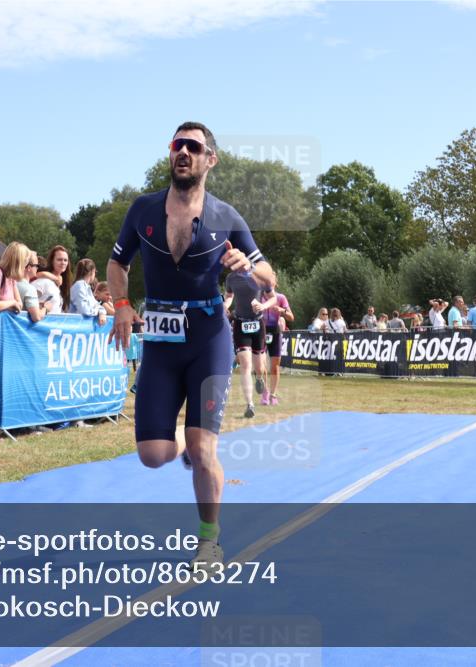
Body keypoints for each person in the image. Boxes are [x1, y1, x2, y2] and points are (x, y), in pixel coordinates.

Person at [107, 121, 274, 570]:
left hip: (208, 340)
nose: (183, 152)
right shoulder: (143, 209)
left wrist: (249, 267)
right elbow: (117, 262)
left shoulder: (227, 217)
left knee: (205, 453)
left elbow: (269, 277)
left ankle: (208, 541)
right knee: (153, 456)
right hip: (160, 344)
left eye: (194, 147)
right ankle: (181, 440)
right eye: (177, 145)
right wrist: (122, 304)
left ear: (209, 159)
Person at [226, 270, 275, 414]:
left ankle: (259, 377)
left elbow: (273, 298)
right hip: (240, 324)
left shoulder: (260, 275)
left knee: (259, 367)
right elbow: (229, 296)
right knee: (245, 364)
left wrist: (263, 306)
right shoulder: (231, 277)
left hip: (257, 324)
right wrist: (225, 304)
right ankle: (250, 404)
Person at [69, 258, 107, 326]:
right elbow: (85, 310)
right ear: (92, 271)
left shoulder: (86, 287)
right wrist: (98, 311)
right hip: (75, 326)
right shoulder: (79, 286)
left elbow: (97, 305)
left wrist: (101, 312)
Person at [37, 245, 74, 312]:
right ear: (52, 261)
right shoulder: (42, 281)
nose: (63, 263)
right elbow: (28, 301)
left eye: (65, 260)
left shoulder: (64, 282)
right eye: (59, 259)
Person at [16, 250, 47, 323]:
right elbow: (37, 317)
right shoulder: (30, 289)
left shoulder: (10, 282)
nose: (37, 268)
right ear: (29, 267)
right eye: (37, 266)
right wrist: (45, 309)